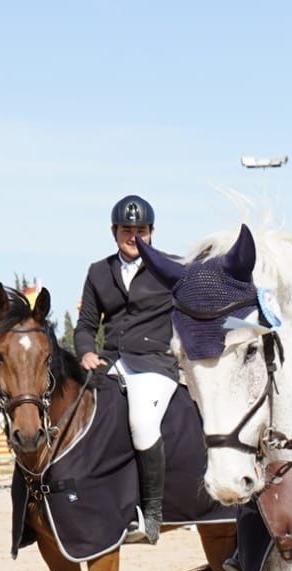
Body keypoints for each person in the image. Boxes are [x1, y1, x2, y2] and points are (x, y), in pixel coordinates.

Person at [75, 194, 178, 543]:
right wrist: (86, 352)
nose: (134, 237)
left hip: (154, 364)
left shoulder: (171, 268)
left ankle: (152, 515)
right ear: (113, 231)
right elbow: (86, 324)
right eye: (126, 230)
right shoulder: (98, 271)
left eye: (141, 230)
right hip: (111, 362)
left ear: (152, 232)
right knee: (84, 415)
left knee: (141, 421)